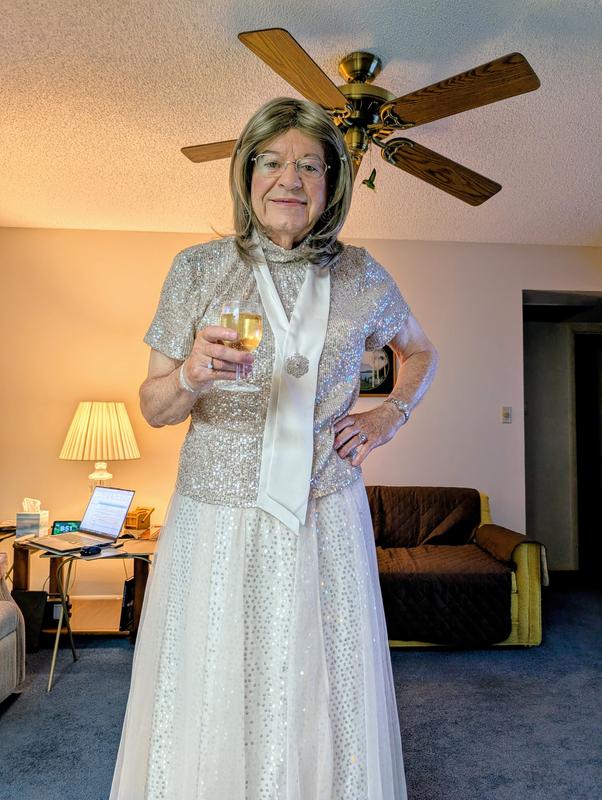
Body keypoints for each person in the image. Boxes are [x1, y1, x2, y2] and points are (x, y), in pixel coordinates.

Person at [110, 96, 437, 800]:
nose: (291, 179)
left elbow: (420, 352)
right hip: (217, 516)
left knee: (325, 680)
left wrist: (390, 415)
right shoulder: (198, 269)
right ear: (246, 174)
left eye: (310, 166)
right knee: (215, 679)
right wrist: (191, 374)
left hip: (326, 511)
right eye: (272, 162)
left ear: (331, 185)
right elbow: (154, 407)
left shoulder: (363, 275)